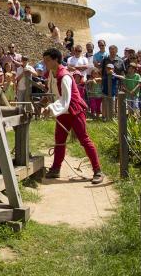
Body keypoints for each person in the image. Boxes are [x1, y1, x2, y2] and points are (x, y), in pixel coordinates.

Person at [42, 48, 104, 184]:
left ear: (55, 60)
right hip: (63, 112)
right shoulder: (52, 74)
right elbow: (52, 90)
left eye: (47, 60)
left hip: (74, 111)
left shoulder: (64, 76)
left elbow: (65, 99)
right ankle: (56, 168)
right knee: (59, 140)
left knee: (84, 139)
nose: (44, 62)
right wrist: (46, 99)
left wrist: (50, 109)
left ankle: (98, 170)